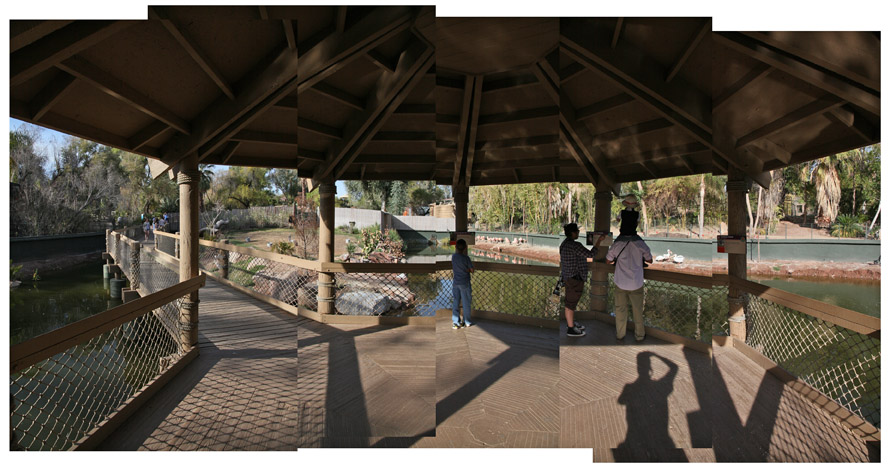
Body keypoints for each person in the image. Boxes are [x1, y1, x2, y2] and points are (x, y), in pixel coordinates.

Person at [606, 195, 653, 342]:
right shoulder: (641, 244)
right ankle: (640, 335)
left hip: (620, 282)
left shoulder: (617, 244)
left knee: (620, 310)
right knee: (638, 311)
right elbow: (649, 260)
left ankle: (620, 334)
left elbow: (608, 261)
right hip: (636, 283)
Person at [560, 223, 604, 337]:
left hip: (568, 277)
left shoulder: (564, 244)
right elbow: (591, 254)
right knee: (571, 303)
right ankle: (570, 329)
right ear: (573, 233)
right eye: (577, 231)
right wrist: (599, 241)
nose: (579, 233)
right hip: (575, 279)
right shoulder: (575, 245)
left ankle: (571, 323)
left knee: (570, 301)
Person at [451, 239, 475, 329]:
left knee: (456, 301)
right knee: (466, 302)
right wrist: (467, 269)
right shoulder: (466, 258)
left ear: (455, 247)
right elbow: (472, 270)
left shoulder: (454, 257)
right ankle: (467, 321)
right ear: (465, 248)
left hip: (456, 282)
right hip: (465, 282)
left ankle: (455, 322)